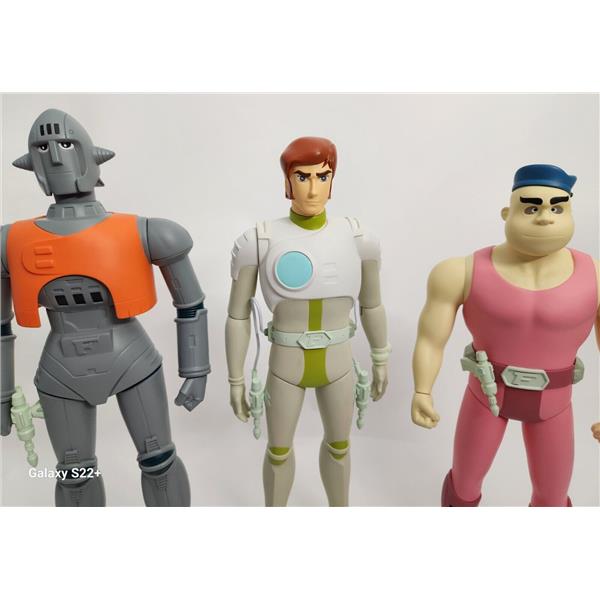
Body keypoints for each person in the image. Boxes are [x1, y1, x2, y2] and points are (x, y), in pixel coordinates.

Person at [1, 109, 210, 506]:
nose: (56, 157)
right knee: (74, 475)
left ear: (89, 154)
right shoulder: (10, 241)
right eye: (42, 149)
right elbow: (0, 326)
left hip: (131, 359)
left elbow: (191, 305)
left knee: (159, 461)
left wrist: (196, 370)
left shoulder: (146, 231)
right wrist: (2, 394)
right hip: (62, 370)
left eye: (65, 144)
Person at [411, 164, 599, 506]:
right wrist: (422, 389)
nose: (545, 218)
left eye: (557, 208)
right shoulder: (459, 272)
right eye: (531, 208)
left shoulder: (595, 276)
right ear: (506, 213)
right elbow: (430, 339)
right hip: (486, 396)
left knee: (553, 499)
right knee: (463, 488)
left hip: (554, 403)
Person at [225, 137, 390, 506]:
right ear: (287, 181)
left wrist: (381, 356)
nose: (313, 189)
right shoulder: (259, 240)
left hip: (339, 364)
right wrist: (236, 379)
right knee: (278, 451)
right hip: (286, 364)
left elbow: (372, 304)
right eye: (302, 177)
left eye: (322, 176)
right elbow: (237, 314)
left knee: (340, 447)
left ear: (333, 180)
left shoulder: (359, 238)